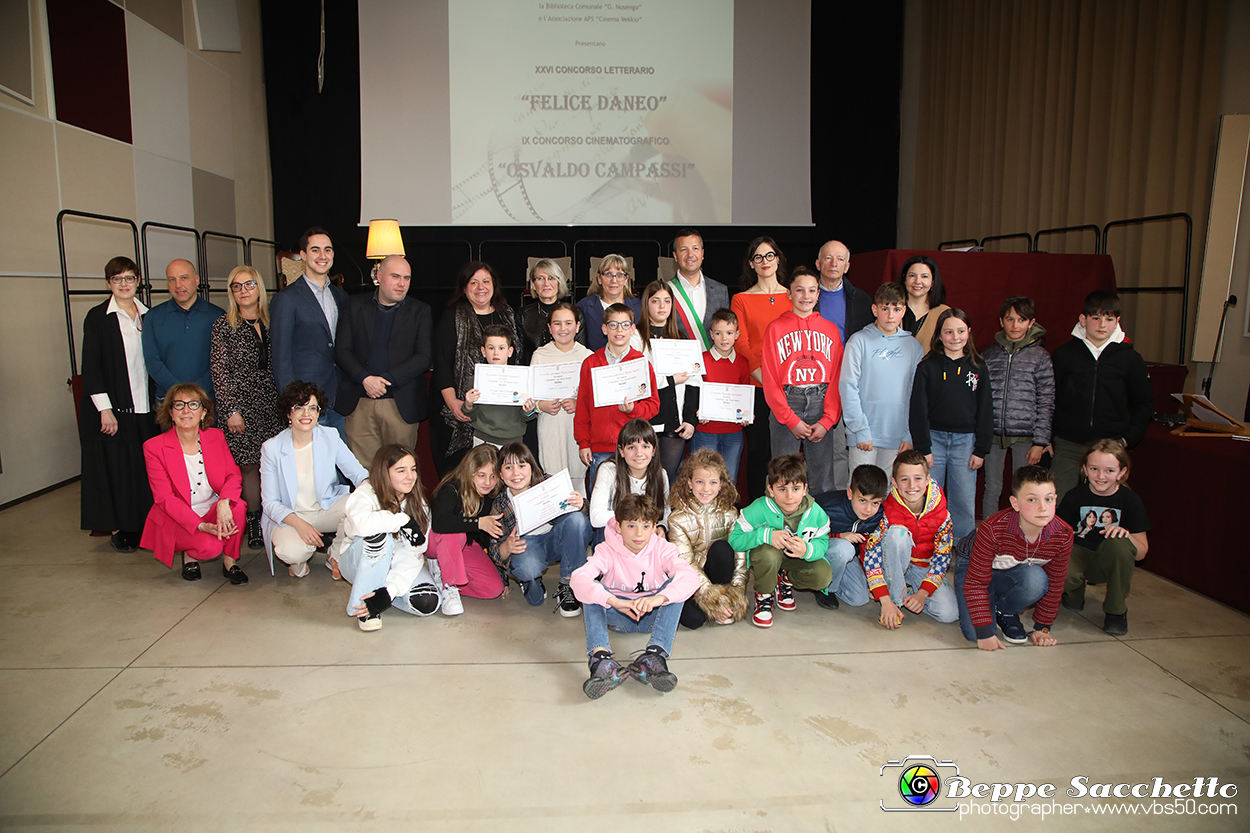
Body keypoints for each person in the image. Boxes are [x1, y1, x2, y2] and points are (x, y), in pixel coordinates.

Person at [571, 494, 700, 699]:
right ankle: (601, 659)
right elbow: (578, 579)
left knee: (674, 587)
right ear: (619, 527)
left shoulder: (663, 548)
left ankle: (654, 656)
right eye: (631, 526)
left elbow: (691, 578)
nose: (639, 534)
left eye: (646, 526)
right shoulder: (606, 550)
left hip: (653, 616)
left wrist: (658, 599)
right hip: (617, 614)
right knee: (592, 590)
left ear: (654, 526)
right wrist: (614, 601)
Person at [79, 256, 158, 552]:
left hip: (146, 407)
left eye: (129, 278)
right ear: (108, 283)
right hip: (115, 410)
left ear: (138, 280)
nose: (124, 284)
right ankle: (125, 529)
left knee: (143, 471)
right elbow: (92, 366)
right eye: (117, 279)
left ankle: (147, 526)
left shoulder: (149, 316)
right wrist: (105, 409)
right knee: (120, 471)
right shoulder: (98, 317)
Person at [139, 383, 247, 584]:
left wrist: (224, 501)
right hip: (178, 518)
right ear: (171, 413)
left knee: (237, 506)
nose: (186, 410)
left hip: (212, 508)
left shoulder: (216, 437)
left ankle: (230, 561)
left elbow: (233, 476)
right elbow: (164, 498)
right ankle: (190, 554)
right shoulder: (154, 447)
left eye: (193, 405)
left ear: (204, 412)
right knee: (210, 548)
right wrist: (201, 525)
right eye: (179, 405)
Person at [954, 465, 1072, 649]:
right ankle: (987, 601)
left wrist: (1043, 628)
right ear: (1015, 503)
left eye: (1048, 499)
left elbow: (1056, 582)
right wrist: (985, 632)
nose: (1043, 508)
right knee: (974, 634)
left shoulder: (1063, 534)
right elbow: (976, 582)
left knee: (1037, 579)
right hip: (972, 566)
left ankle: (1005, 610)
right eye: (1032, 500)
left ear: (1055, 499)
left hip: (1012, 567)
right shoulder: (992, 529)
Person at [1049, 290, 1153, 498]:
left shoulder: (1130, 359)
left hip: (1110, 446)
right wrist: (1049, 436)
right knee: (1059, 505)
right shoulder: (1063, 355)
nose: (1102, 324)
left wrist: (1125, 440)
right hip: (1069, 444)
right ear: (1083, 319)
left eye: (1109, 318)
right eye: (1096, 318)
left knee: (1107, 510)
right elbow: (1049, 399)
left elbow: (1144, 404)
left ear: (1117, 321)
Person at [259, 381, 368, 578]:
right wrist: (299, 524)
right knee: (293, 551)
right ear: (288, 414)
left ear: (319, 413)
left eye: (312, 408)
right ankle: (298, 563)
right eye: (298, 408)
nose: (306, 414)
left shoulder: (330, 437)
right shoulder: (272, 448)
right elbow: (269, 503)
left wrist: (373, 492)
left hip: (325, 509)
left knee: (359, 505)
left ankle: (334, 555)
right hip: (290, 517)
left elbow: (359, 474)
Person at [333, 254, 433, 468]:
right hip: (359, 402)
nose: (401, 283)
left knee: (399, 472)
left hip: (400, 404)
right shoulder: (353, 305)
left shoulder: (420, 311)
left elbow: (424, 357)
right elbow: (342, 350)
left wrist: (385, 380)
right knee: (364, 474)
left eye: (407, 278)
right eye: (395, 276)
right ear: (378, 276)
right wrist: (365, 379)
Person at [210, 265, 284, 549]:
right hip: (241, 407)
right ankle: (253, 522)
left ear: (259, 288)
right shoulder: (223, 326)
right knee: (249, 466)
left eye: (249, 284)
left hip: (272, 405)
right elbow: (220, 372)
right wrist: (230, 410)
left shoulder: (272, 321)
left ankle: (273, 519)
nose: (243, 291)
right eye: (236, 286)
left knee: (273, 466)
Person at [332, 444, 442, 631]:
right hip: (359, 561)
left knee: (427, 602)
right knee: (378, 536)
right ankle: (366, 610)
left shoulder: (418, 503)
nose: (410, 476)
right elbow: (361, 524)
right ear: (385, 472)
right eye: (401, 470)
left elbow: (414, 553)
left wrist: (388, 592)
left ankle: (378, 596)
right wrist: (402, 520)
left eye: (413, 469)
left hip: (397, 562)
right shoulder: (366, 492)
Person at [908, 308, 992, 542]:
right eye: (949, 332)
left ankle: (963, 552)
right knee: (930, 498)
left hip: (966, 444)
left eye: (961, 331)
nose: (955, 337)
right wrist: (924, 448)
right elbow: (918, 410)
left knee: (963, 500)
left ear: (969, 332)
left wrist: (981, 448)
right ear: (939, 335)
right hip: (933, 442)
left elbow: (986, 410)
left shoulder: (978, 367)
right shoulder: (928, 367)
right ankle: (927, 548)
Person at [431, 261, 522, 475]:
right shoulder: (452, 317)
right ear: (464, 287)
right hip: (460, 411)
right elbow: (441, 361)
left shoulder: (508, 314)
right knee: (466, 473)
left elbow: (519, 359)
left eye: (485, 281)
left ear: (494, 285)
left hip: (503, 417)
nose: (480, 287)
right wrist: (453, 401)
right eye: (473, 282)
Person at [761, 266, 846, 494]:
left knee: (822, 476)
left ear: (818, 294)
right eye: (800, 290)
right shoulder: (775, 328)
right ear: (789, 294)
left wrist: (828, 420)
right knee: (782, 474)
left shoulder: (830, 330)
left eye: (811, 290)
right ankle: (781, 525)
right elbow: (769, 379)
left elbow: (837, 377)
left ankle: (819, 526)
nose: (806, 296)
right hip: (788, 402)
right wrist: (789, 419)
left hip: (821, 401)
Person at [728, 453, 833, 629]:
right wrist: (765, 535)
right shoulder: (758, 508)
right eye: (782, 489)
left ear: (805, 489)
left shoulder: (816, 513)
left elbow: (822, 542)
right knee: (768, 555)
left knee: (823, 575)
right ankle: (764, 595)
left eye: (796, 489)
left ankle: (784, 581)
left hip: (794, 561)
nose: (790, 497)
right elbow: (734, 540)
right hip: (767, 559)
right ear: (771, 490)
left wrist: (807, 549)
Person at [854, 451, 958, 628]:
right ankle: (894, 599)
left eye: (918, 478)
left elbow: (942, 556)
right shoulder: (884, 511)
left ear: (927, 480)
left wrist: (923, 593)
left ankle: (910, 591)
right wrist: (886, 600)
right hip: (890, 564)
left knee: (949, 614)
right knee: (898, 535)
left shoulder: (942, 513)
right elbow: (871, 556)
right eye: (904, 479)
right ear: (894, 482)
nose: (912, 486)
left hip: (922, 566)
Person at [487, 442, 593, 615]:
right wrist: (506, 547)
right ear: (500, 474)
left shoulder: (548, 483)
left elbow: (585, 517)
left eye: (522, 465)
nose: (516, 473)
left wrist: (581, 504)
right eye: (508, 467)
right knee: (535, 600)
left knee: (577, 520)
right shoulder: (500, 504)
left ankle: (568, 583)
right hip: (528, 547)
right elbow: (494, 550)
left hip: (556, 538)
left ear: (532, 466)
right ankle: (529, 580)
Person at [1058, 439, 1150, 636]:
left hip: (1108, 559)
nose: (1100, 476)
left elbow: (1142, 553)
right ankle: (1073, 592)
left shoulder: (1131, 501)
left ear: (1122, 472)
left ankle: (1116, 610)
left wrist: (1127, 536)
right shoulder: (1074, 496)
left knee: (1119, 543)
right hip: (1078, 553)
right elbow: (1056, 536)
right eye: (1094, 469)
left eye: (1109, 470)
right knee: (1063, 570)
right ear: (1084, 468)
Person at [269, 228, 350, 439]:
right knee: (310, 467)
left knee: (340, 466)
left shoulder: (341, 297)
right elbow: (281, 357)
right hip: (306, 402)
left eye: (328, 250)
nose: (323, 256)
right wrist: (293, 403)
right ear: (303, 255)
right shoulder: (286, 299)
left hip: (339, 398)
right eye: (315, 250)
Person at [573, 303, 660, 494]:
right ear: (604, 329)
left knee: (634, 507)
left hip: (633, 449)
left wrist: (633, 410)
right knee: (600, 506)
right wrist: (584, 443)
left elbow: (653, 405)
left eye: (625, 325)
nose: (619, 330)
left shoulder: (642, 364)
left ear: (633, 329)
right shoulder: (591, 364)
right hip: (600, 449)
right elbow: (582, 408)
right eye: (613, 325)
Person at [839, 282, 923, 478]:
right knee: (862, 490)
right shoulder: (858, 341)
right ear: (875, 309)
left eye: (896, 309)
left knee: (888, 493)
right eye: (885, 308)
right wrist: (859, 429)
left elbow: (916, 393)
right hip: (864, 435)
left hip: (898, 436)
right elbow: (848, 386)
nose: (891, 315)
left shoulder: (913, 347)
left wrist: (909, 433)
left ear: (904, 311)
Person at [981, 296, 1054, 518]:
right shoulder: (989, 354)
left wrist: (1040, 441)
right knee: (992, 488)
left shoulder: (1040, 356)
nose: (1015, 325)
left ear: (1031, 323)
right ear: (1001, 321)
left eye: (1021, 320)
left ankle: (1022, 537)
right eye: (1010, 319)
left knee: (1024, 490)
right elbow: (981, 398)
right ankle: (988, 535)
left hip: (1025, 437)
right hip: (993, 434)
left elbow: (1047, 399)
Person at [730, 237, 791, 500]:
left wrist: (783, 383)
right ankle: (757, 508)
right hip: (756, 387)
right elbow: (741, 344)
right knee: (758, 452)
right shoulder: (741, 299)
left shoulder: (793, 296)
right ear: (751, 265)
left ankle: (787, 506)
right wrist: (766, 380)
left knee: (786, 454)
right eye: (758, 257)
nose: (764, 262)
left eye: (769, 256)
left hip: (791, 387)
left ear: (778, 259)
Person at [667, 449, 747, 629]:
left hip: (718, 573)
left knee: (723, 548)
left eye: (712, 483)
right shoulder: (677, 519)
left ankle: (723, 605)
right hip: (690, 578)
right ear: (689, 483)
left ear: (721, 485)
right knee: (693, 620)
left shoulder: (730, 513)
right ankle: (714, 606)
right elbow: (685, 562)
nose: (705, 489)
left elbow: (741, 558)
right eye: (699, 482)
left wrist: (735, 594)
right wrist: (712, 598)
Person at [428, 445, 509, 614]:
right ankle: (449, 586)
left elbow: (491, 537)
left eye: (493, 476)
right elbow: (440, 523)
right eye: (481, 475)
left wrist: (503, 575)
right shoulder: (451, 488)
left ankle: (441, 578)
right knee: (454, 533)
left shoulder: (491, 495)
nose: (488, 482)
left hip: (464, 545)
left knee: (494, 588)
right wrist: (479, 523)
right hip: (436, 542)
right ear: (470, 472)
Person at [632, 280, 696, 483]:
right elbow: (638, 380)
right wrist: (671, 380)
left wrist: (690, 420)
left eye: (667, 301)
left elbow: (694, 381)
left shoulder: (682, 338)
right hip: (645, 419)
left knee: (668, 479)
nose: (662, 306)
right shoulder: (635, 337)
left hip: (674, 421)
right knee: (642, 479)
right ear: (646, 304)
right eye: (656, 301)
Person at [530, 301, 593, 495]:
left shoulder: (588, 357)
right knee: (553, 485)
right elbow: (529, 400)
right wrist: (542, 405)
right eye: (557, 323)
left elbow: (596, 401)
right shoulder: (540, 355)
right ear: (549, 328)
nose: (563, 328)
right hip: (550, 426)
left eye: (568, 323)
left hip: (576, 428)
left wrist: (578, 404)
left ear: (578, 326)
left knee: (577, 486)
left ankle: (579, 523)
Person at [142, 258, 224, 401]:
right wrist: (179, 391)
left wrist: (196, 391)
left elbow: (223, 362)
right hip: (168, 400)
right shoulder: (153, 317)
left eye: (184, 278)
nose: (178, 285)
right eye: (172, 280)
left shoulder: (218, 316)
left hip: (208, 398)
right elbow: (152, 360)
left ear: (197, 280)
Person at [686, 308, 752, 484]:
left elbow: (744, 393)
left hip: (733, 431)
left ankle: (725, 512)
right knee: (702, 478)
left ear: (737, 334)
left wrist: (746, 414)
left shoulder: (743, 363)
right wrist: (698, 412)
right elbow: (692, 393)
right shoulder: (701, 360)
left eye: (729, 333)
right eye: (718, 333)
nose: (724, 338)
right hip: (705, 430)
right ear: (711, 335)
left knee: (729, 480)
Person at [812, 464, 889, 610]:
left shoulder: (879, 516)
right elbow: (804, 534)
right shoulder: (825, 507)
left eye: (875, 503)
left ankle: (829, 578)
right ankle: (823, 587)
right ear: (850, 493)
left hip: (847, 558)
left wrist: (873, 583)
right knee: (843, 548)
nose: (868, 509)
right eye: (862, 500)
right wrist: (837, 535)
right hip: (818, 550)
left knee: (859, 598)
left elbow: (871, 548)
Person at [588, 419, 671, 547]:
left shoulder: (661, 475)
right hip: (614, 537)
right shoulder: (608, 470)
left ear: (653, 450)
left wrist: (661, 527)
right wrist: (640, 519)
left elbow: (665, 513)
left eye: (645, 446)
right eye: (631, 447)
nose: (639, 453)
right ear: (621, 451)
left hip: (644, 538)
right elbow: (596, 517)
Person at [463, 325, 539, 448]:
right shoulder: (476, 380)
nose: (496, 352)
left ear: (510, 352)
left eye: (501, 348)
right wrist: (468, 404)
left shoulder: (521, 380)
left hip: (512, 441)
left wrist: (529, 411)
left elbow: (526, 417)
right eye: (491, 348)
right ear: (483, 351)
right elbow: (471, 415)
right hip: (483, 440)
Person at [667, 228, 729, 352]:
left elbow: (726, 331)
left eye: (695, 249)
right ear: (675, 256)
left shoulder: (720, 291)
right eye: (684, 250)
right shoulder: (665, 291)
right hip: (679, 365)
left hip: (714, 365)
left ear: (702, 253)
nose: (690, 254)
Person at [518, 259, 586, 357]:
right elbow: (520, 354)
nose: (546, 283)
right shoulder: (523, 316)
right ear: (533, 284)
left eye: (551, 278)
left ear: (559, 282)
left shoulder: (576, 313)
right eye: (541, 278)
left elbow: (580, 350)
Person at [577, 254, 642, 351]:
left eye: (619, 275)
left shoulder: (639, 307)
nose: (614, 280)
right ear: (599, 278)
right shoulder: (584, 307)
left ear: (626, 279)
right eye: (608, 274)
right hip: (596, 364)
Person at [815, 240, 874, 346]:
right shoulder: (803, 298)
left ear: (847, 267)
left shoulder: (861, 300)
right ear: (818, 264)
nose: (834, 264)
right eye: (828, 258)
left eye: (840, 259)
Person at [894, 255, 950, 354]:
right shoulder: (890, 309)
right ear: (904, 279)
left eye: (924, 276)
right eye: (912, 276)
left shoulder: (944, 313)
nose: (917, 281)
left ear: (932, 282)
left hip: (930, 368)